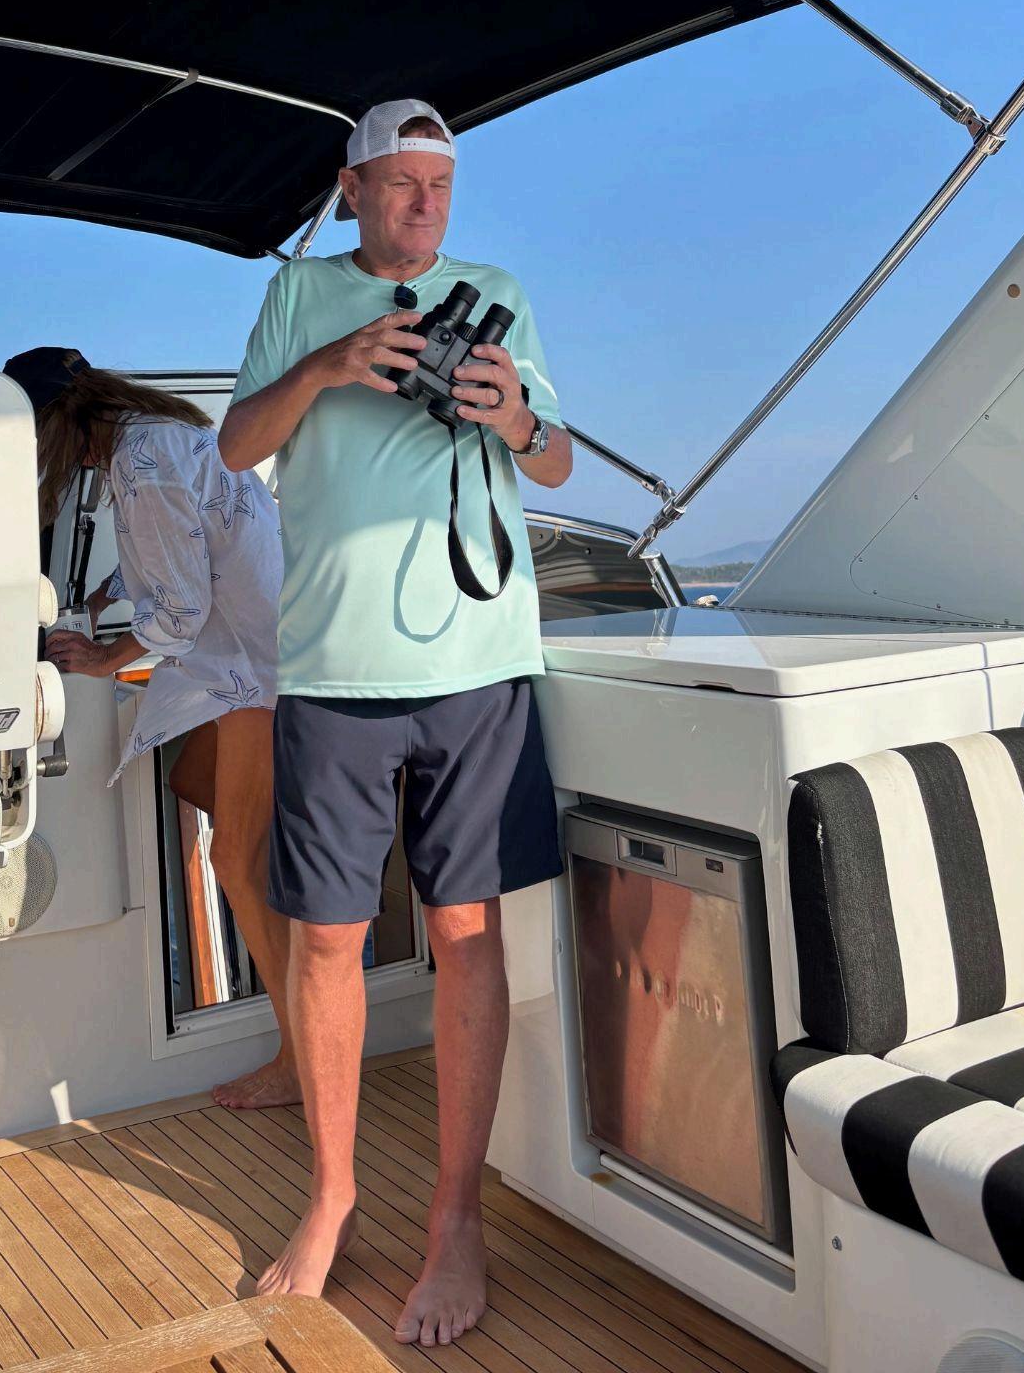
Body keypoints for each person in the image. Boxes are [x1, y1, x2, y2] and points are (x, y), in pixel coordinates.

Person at [216, 101, 573, 1347]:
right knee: (327, 939)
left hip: (479, 661)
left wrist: (511, 414)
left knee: (467, 934)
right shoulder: (298, 293)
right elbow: (236, 446)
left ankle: (455, 1219)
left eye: (441, 184)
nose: (425, 203)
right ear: (351, 188)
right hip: (332, 667)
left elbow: (557, 460)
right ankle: (332, 1195)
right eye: (401, 182)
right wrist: (328, 365)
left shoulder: (500, 292)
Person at [5, 351, 298, 1111]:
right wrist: (107, 595)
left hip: (258, 670)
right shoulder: (153, 436)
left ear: (57, 421)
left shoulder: (139, 460)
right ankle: (299, 904)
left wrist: (104, 659)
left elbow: (182, 611)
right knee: (193, 782)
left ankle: (301, 1056)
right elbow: (178, 550)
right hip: (255, 657)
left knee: (235, 859)